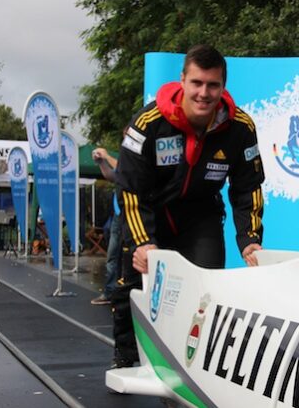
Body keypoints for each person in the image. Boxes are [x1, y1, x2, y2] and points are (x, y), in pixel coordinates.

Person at [111, 44, 265, 368]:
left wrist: (249, 238)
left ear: (223, 87)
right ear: (183, 80)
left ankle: (189, 368)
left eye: (213, 85)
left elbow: (247, 186)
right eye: (197, 83)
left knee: (206, 291)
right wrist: (142, 243)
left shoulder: (241, 128)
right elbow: (129, 189)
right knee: (132, 286)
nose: (204, 93)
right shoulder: (147, 124)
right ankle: (125, 357)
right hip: (151, 214)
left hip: (201, 215)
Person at [90, 147, 121, 305]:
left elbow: (124, 170)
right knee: (113, 255)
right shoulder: (126, 154)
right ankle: (110, 292)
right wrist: (102, 162)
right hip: (118, 214)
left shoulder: (136, 157)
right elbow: (112, 176)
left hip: (133, 213)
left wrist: (107, 155)